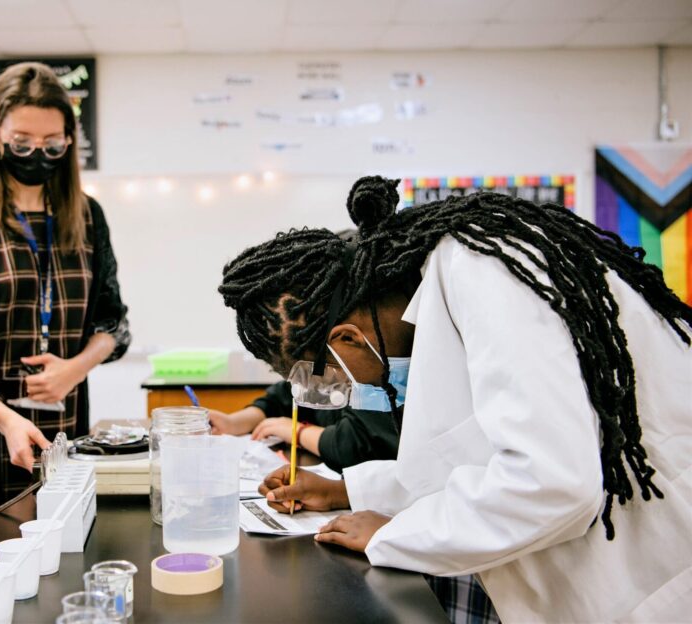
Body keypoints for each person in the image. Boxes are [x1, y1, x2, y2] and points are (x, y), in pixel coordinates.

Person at [220, 176, 692, 622]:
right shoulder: (440, 296)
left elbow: (550, 482)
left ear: (346, 339)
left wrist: (395, 533)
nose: (347, 392)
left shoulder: (483, 272)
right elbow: (472, 456)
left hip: (651, 572)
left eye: (332, 377)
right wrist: (347, 491)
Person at [0, 62, 130, 538]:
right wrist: (5, 419)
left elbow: (112, 324)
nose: (37, 154)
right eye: (22, 142)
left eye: (52, 144)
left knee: (64, 553)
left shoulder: (87, 215)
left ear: (69, 141)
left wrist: (74, 369)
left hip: (64, 438)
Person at [209, 381, 398, 474]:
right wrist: (232, 423)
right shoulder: (318, 375)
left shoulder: (375, 384)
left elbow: (355, 443)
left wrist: (299, 432)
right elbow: (283, 397)